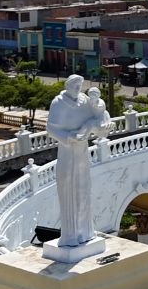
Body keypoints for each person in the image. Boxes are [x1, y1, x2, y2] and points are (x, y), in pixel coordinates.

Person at [46, 74, 110, 251]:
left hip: (82, 151)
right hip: (67, 152)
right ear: (67, 85)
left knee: (84, 189)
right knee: (69, 190)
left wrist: (98, 109)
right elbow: (50, 128)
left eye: (80, 85)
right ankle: (70, 235)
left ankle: (86, 232)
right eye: (75, 84)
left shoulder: (84, 100)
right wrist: (68, 137)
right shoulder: (58, 103)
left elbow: (98, 116)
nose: (78, 88)